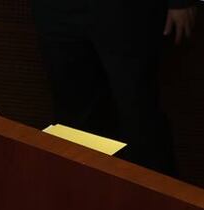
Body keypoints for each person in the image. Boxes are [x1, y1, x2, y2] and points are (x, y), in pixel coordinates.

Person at [31, 0, 197, 176]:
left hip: (128, 11)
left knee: (138, 115)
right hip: (56, 10)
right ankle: (84, 194)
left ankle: (156, 199)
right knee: (72, 118)